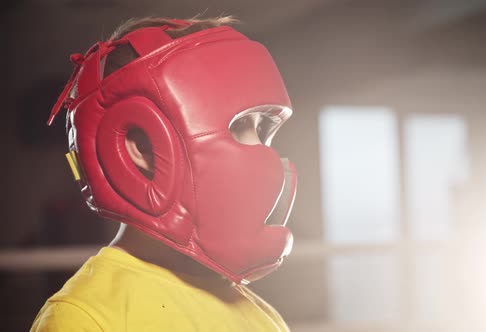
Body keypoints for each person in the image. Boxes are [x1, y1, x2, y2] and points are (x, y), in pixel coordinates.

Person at [31, 15, 297, 331]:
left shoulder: (261, 316)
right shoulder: (85, 317)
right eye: (239, 126)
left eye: (263, 129)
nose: (262, 151)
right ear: (139, 146)